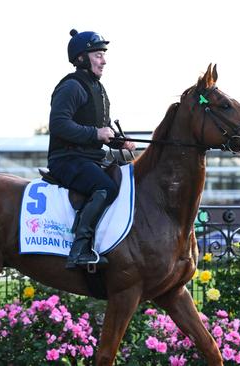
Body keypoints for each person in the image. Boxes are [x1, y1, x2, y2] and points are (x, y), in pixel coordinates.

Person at [48, 29, 136, 269]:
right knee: (105, 186)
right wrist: (95, 134)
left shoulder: (99, 89)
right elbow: (57, 125)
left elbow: (102, 129)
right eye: (98, 55)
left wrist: (119, 141)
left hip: (90, 158)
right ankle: (80, 248)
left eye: (103, 55)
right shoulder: (72, 86)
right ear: (81, 58)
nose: (104, 60)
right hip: (66, 159)